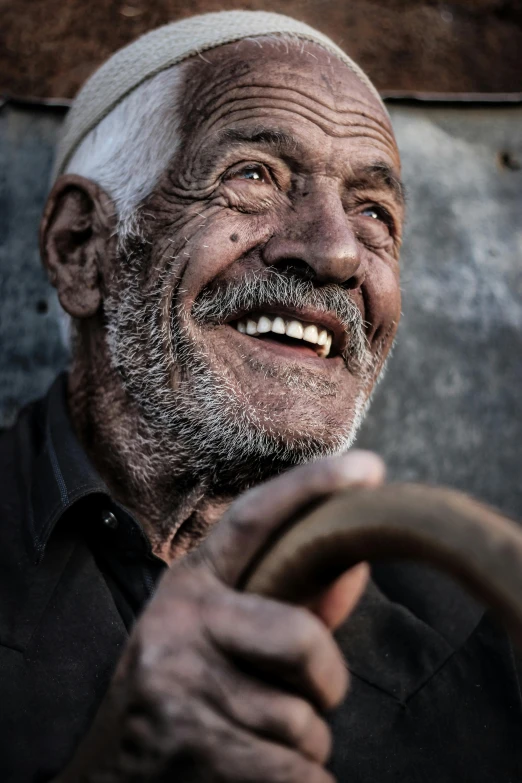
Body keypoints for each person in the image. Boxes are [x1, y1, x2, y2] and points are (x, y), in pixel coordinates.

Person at [0, 10, 520, 782]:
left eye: (374, 212)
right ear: (83, 249)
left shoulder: (484, 615)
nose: (337, 250)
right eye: (254, 175)